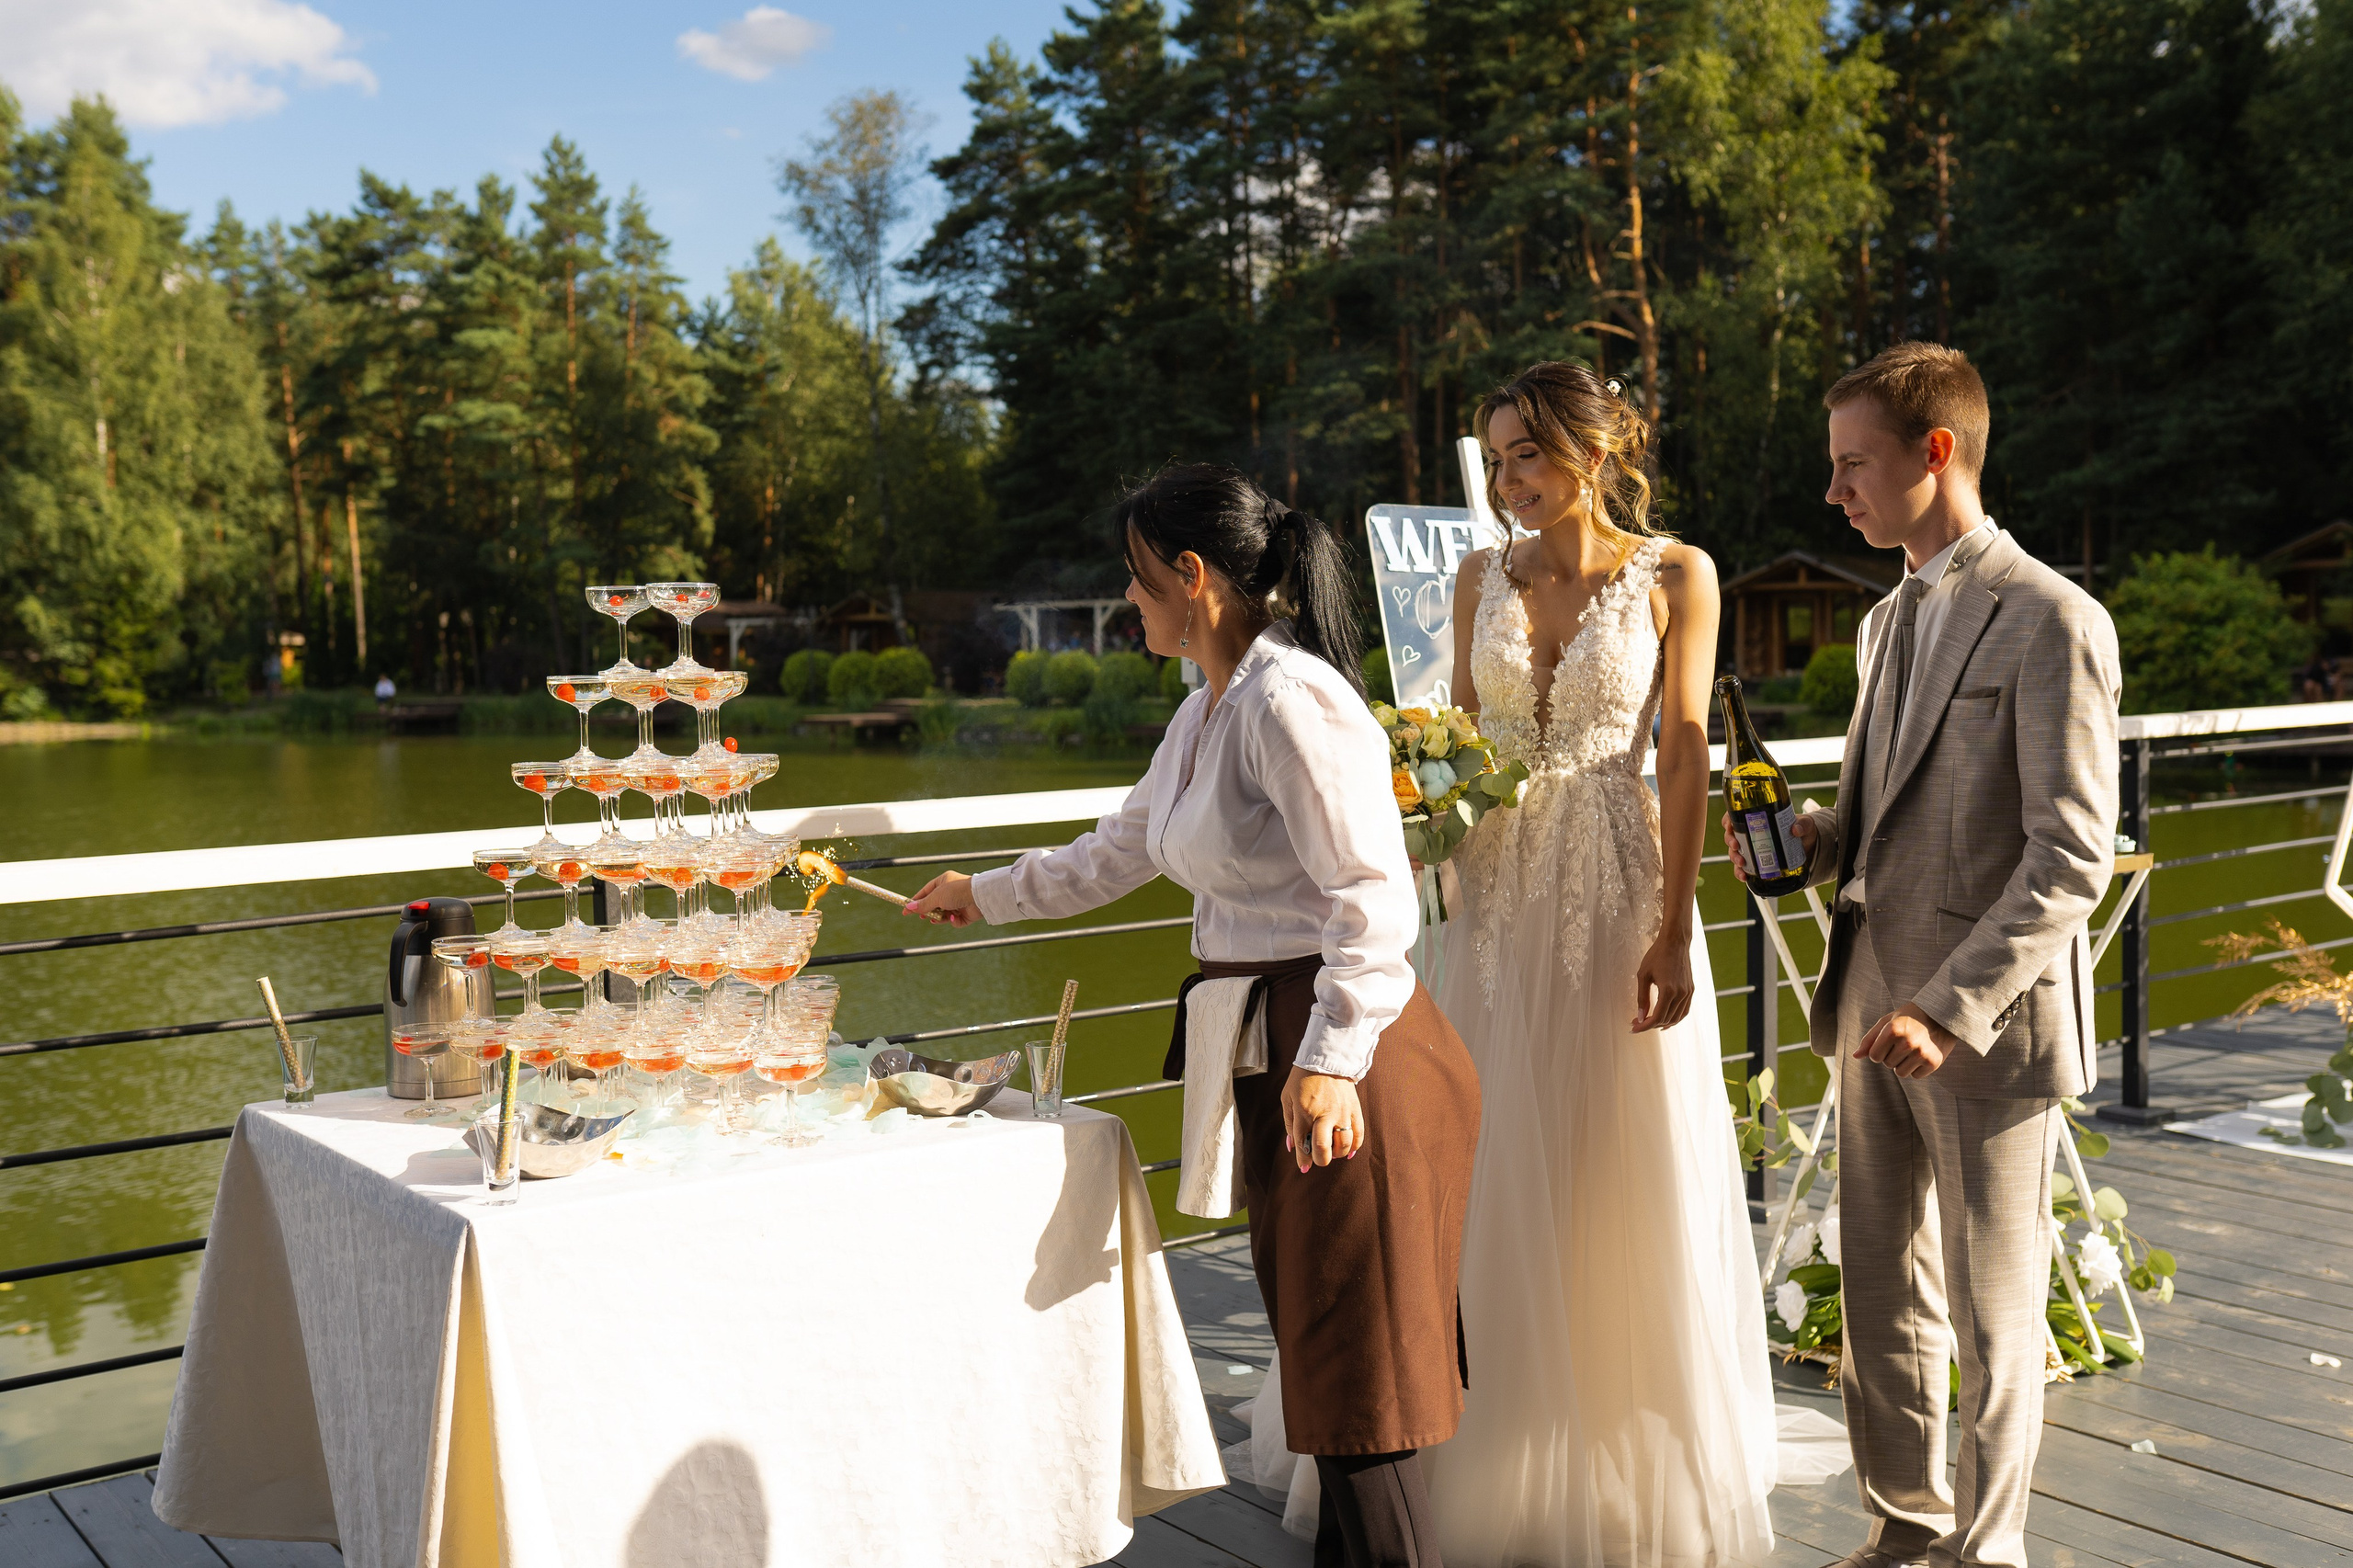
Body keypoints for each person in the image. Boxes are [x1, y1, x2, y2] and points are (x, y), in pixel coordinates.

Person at [904, 464, 1480, 1568]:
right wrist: (982, 891)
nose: (1130, 603)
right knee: (1328, 1366)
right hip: (1281, 1045)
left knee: (1364, 1382)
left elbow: (1375, 894)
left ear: (1192, 574)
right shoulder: (1207, 706)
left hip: (1345, 1057)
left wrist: (1332, 1063)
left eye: (1136, 580)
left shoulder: (1290, 700)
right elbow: (1120, 851)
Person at [1726, 341, 2120, 1568]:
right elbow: (1877, 814)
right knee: (1887, 1299)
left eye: (1854, 466)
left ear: (1934, 452)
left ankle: (1984, 1553)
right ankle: (1907, 1526)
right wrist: (1810, 836)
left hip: (1981, 1026)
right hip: (1865, 1002)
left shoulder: (2056, 618)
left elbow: (2069, 858)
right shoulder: (1886, 619)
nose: (1834, 493)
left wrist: (1948, 1008)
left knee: (1998, 1315)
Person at [1414, 361, 1777, 1566]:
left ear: (1595, 450)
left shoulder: (1676, 572)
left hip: (1618, 889)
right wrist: (1418, 824)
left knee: (1611, 1166)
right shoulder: (1478, 577)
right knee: (1491, 1157)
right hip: (1497, 900)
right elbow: (1459, 742)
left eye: (1528, 453)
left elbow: (1682, 750)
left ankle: (1616, 1430)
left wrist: (1677, 926)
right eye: (1498, 457)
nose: (1510, 480)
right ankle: (1494, 1436)